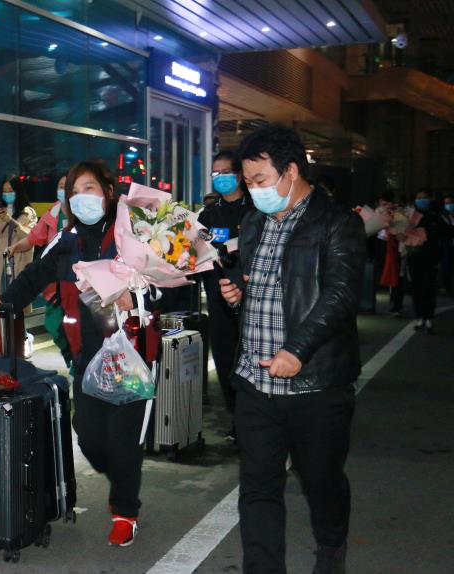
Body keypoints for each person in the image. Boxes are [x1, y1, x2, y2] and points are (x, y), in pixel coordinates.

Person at [219, 125, 365, 574]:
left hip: (315, 384)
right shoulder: (253, 222)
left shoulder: (337, 222)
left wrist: (297, 350)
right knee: (258, 489)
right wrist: (238, 296)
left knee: (321, 481)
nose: (253, 190)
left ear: (291, 171)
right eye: (248, 181)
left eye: (260, 179)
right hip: (255, 381)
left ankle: (331, 547)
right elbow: (263, 286)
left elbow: (340, 295)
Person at [0, 160, 144, 547]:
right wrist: (4, 302)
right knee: (89, 436)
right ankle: (121, 475)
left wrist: (135, 296)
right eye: (74, 191)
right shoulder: (67, 240)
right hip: (87, 353)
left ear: (108, 191)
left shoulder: (134, 233)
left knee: (123, 440)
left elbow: (164, 283)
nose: (80, 197)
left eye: (89, 188)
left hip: (130, 353)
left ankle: (125, 512)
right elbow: (35, 275)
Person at [198, 151, 253, 441]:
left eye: (225, 173)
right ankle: (236, 417)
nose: (220, 178)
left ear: (239, 175)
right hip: (217, 297)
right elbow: (194, 249)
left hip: (250, 298)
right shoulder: (208, 214)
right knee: (224, 359)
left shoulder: (255, 209)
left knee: (249, 358)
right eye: (215, 174)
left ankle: (250, 419)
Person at [7, 173, 73, 368]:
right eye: (59, 186)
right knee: (54, 323)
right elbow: (34, 238)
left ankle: (77, 366)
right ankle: (72, 359)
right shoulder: (53, 212)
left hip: (79, 280)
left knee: (77, 327)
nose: (62, 190)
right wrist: (14, 248)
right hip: (56, 278)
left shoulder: (82, 212)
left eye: (66, 186)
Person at [0, 176, 37, 357]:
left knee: (17, 303)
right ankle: (1, 342)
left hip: (18, 262)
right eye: (4, 191)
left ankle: (24, 338)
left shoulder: (28, 212)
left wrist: (10, 220)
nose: (7, 194)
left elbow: (30, 236)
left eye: (10, 190)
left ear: (18, 191)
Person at [406, 190, 444, 333]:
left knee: (429, 288)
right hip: (414, 257)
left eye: (425, 198)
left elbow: (443, 234)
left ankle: (428, 318)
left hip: (430, 258)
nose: (422, 200)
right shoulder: (409, 216)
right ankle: (420, 317)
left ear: (430, 200)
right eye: (419, 198)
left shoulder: (435, 217)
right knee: (417, 289)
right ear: (415, 200)